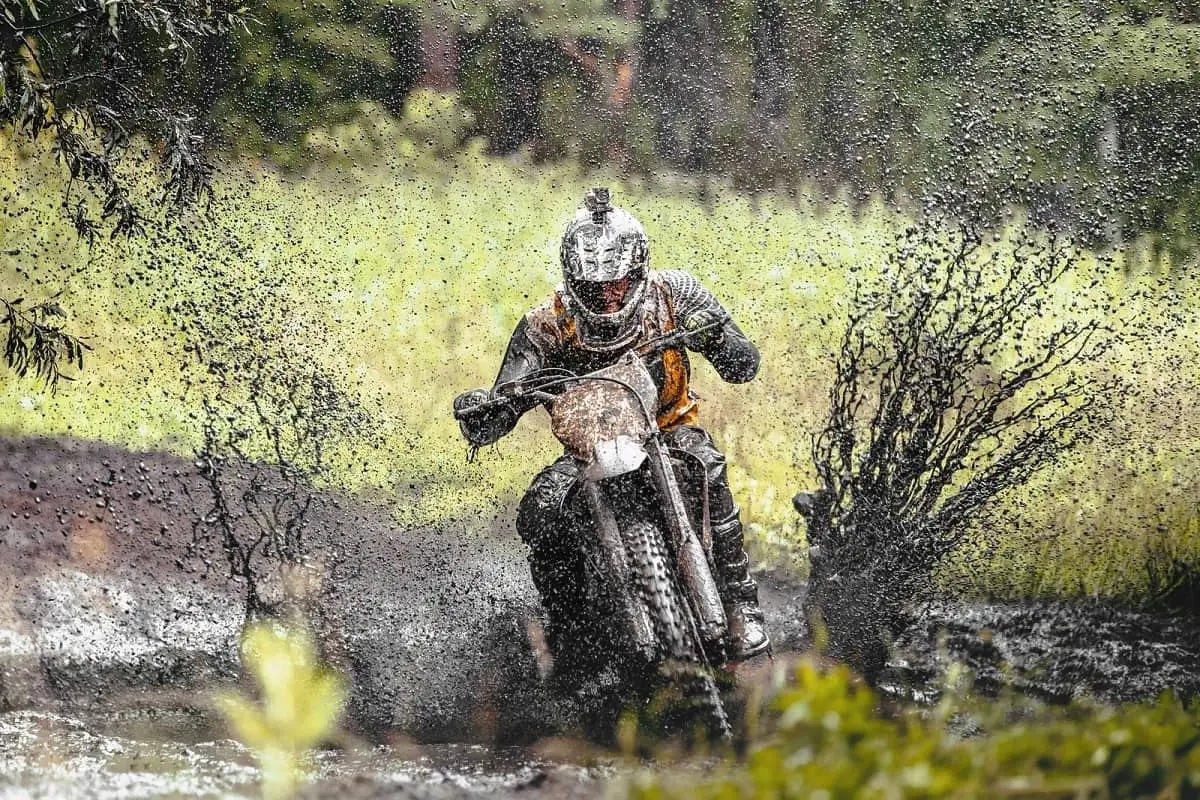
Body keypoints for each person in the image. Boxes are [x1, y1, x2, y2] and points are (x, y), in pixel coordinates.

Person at [453, 188, 769, 661]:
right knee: (541, 509)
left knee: (707, 465)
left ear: (638, 273)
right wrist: (488, 409)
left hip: (667, 432)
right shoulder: (545, 323)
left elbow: (744, 365)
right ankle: (568, 637)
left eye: (618, 285)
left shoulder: (675, 294)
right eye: (594, 288)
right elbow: (504, 397)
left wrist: (718, 334)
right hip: (587, 451)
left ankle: (742, 605)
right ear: (572, 282)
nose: (607, 296)